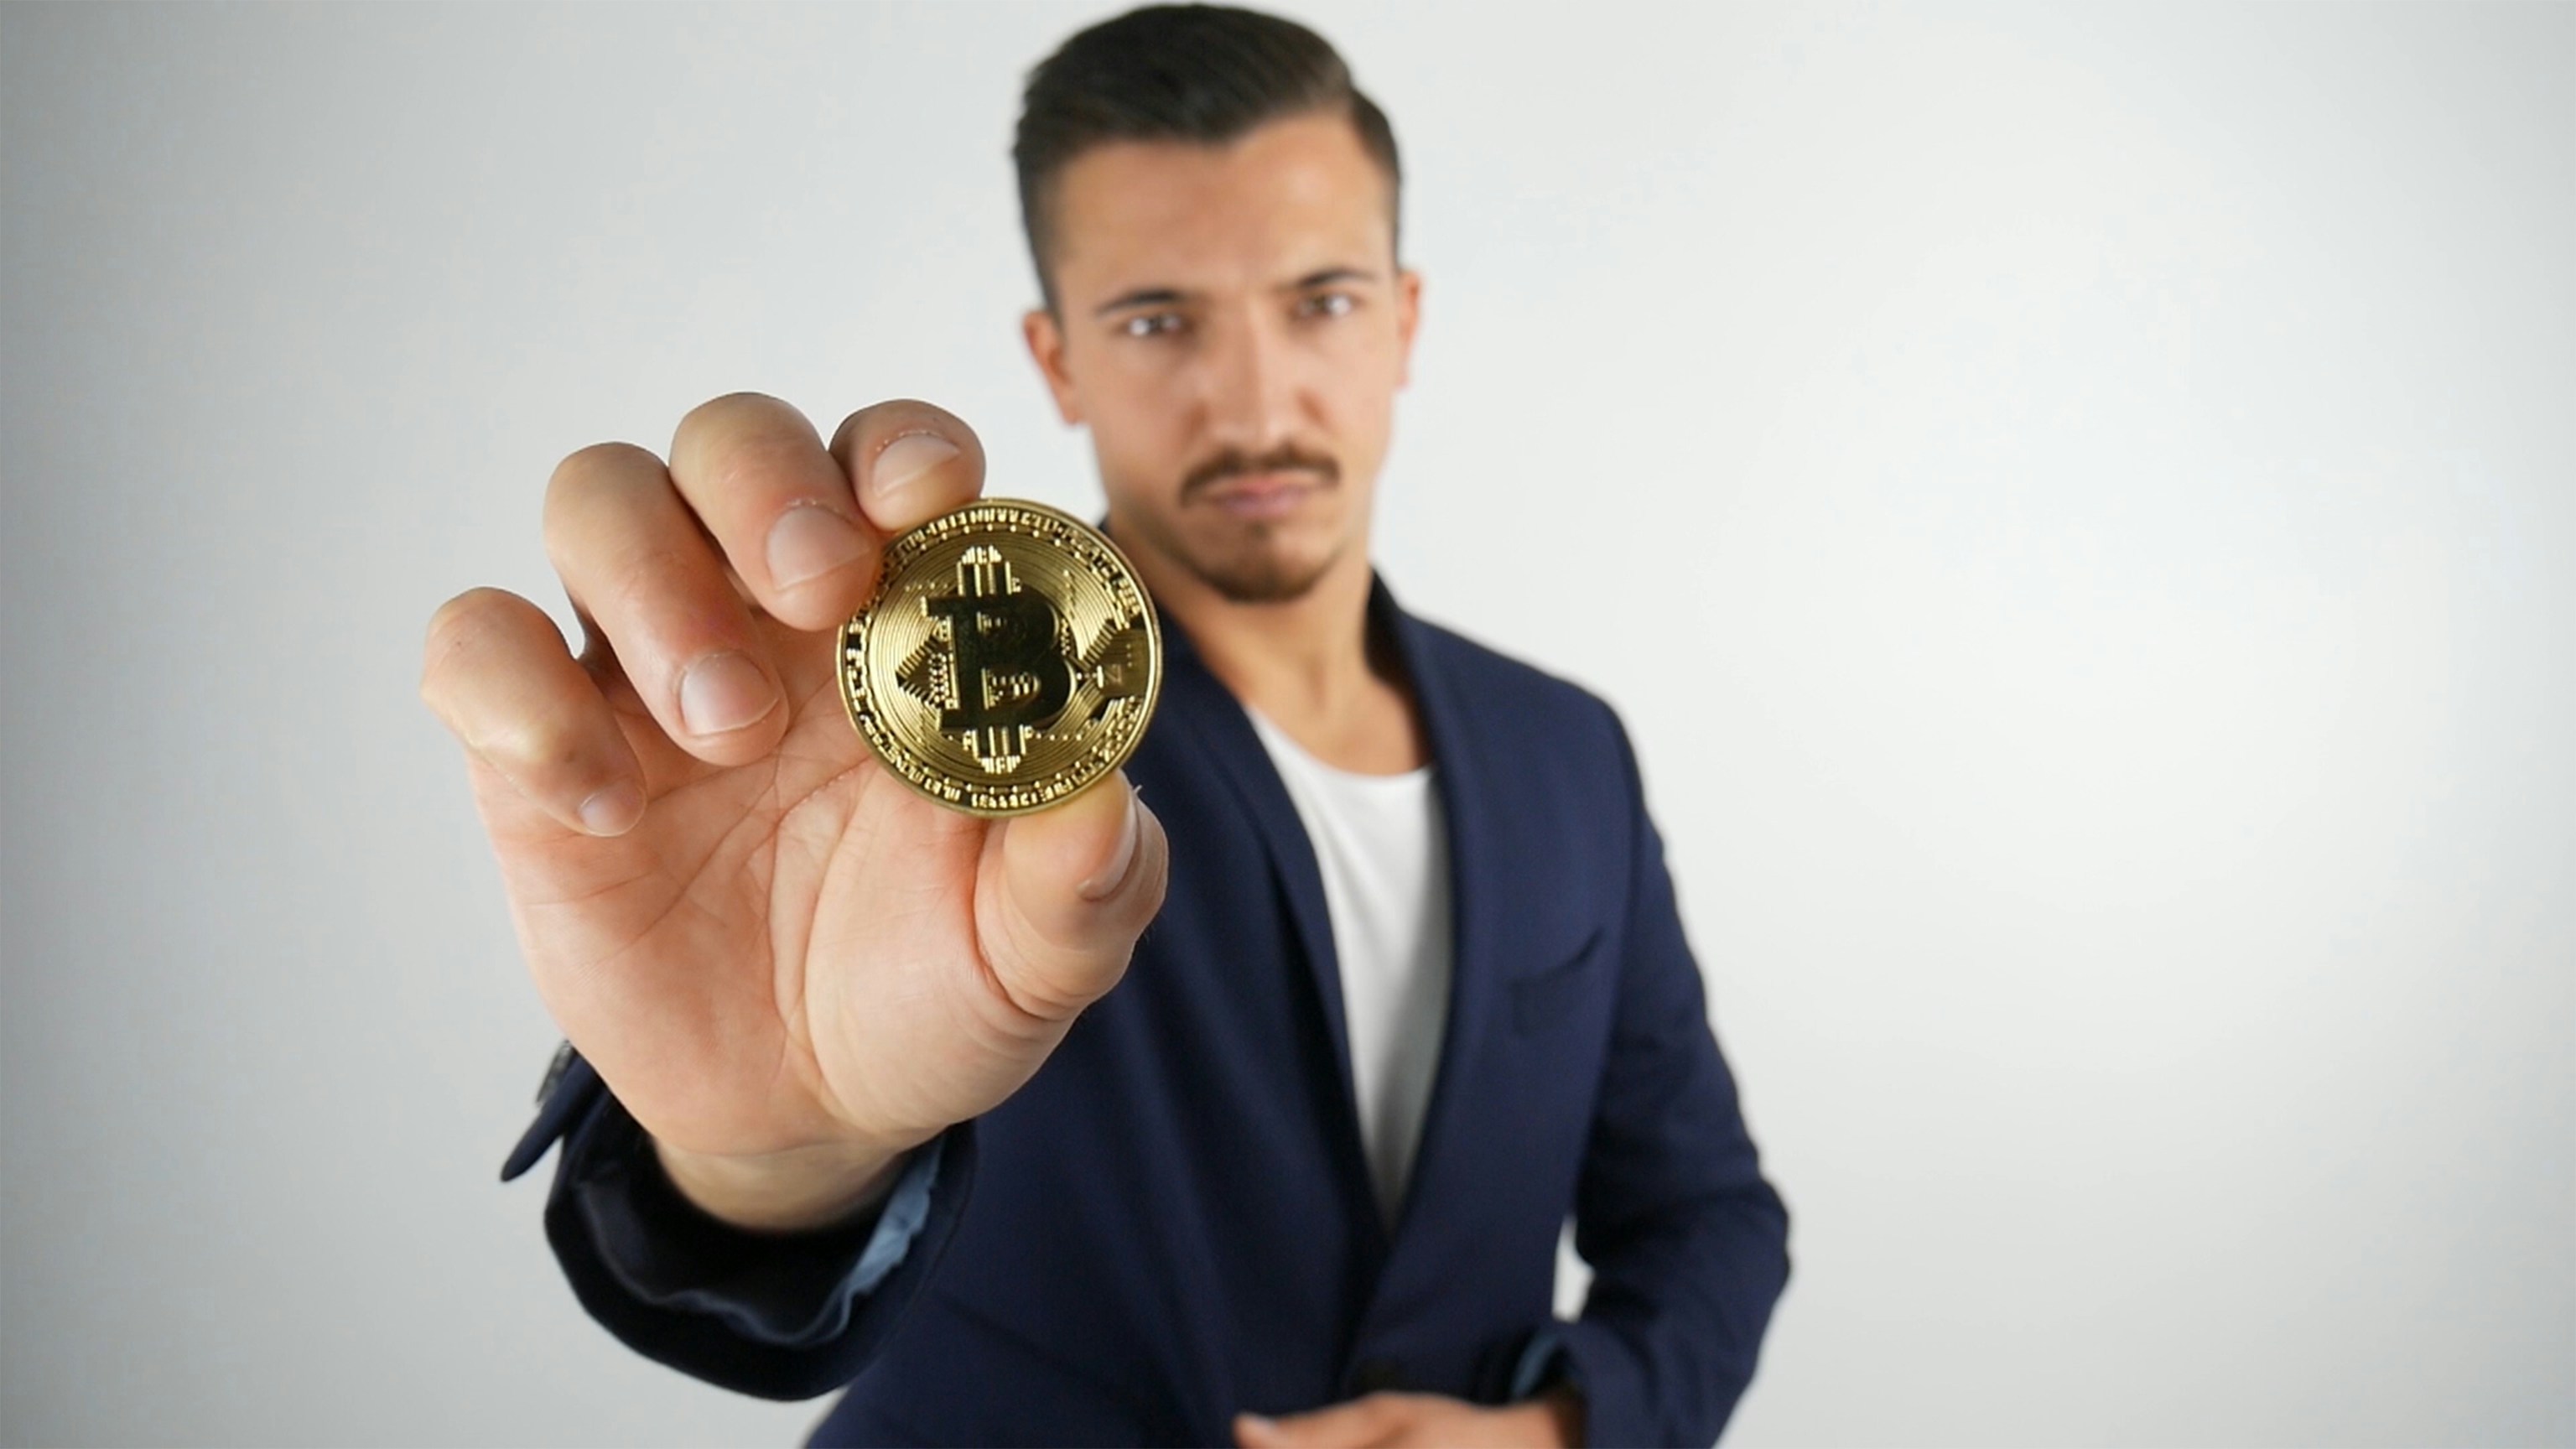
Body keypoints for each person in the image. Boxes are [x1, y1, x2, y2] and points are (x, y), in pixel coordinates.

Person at [420, 6, 1789, 1445]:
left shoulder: (1567, 755)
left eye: (1319, 300)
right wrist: (766, 1161)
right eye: (1157, 320)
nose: (1256, 402)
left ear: (1405, 320)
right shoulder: (922, 760)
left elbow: (1706, 1217)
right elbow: (750, 1238)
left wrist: (1564, 1433)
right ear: (1057, 357)